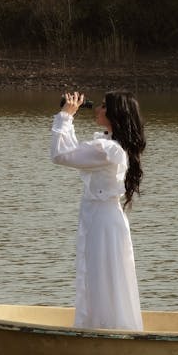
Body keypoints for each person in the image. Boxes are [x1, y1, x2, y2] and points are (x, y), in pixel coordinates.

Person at [50, 90, 146, 331]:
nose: (98, 109)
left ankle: (103, 328)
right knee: (103, 276)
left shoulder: (108, 149)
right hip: (104, 217)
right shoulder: (111, 145)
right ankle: (102, 325)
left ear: (115, 114)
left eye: (104, 106)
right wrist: (67, 119)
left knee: (102, 277)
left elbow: (61, 155)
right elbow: (74, 154)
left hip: (102, 220)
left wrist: (65, 116)